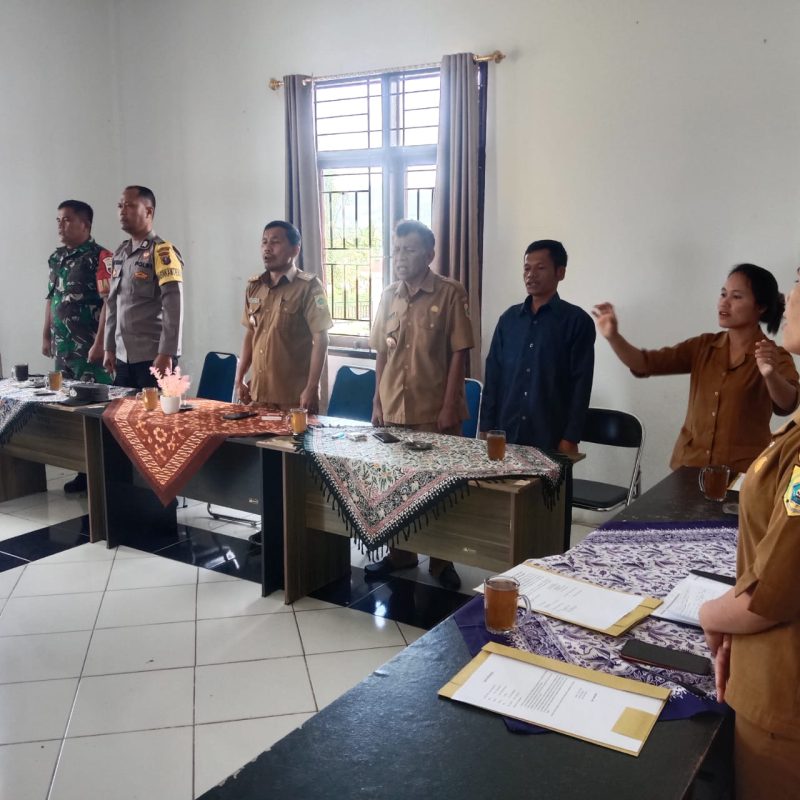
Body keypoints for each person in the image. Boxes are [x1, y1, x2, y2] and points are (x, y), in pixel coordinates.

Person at [698, 267, 800, 799]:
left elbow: (774, 592)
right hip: (763, 667)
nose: (790, 295)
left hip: (785, 696)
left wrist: (711, 614)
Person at [593, 264, 799, 473]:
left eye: (736, 297)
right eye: (723, 294)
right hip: (689, 467)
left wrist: (770, 374)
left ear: (760, 307)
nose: (724, 302)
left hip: (741, 474)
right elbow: (645, 363)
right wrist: (613, 337)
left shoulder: (773, 355)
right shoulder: (703, 346)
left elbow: (788, 403)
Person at [366, 219, 474, 590]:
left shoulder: (450, 292)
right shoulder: (388, 295)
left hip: (435, 411)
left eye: (409, 250)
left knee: (440, 490)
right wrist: (377, 400)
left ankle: (443, 562)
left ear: (429, 254)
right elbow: (381, 353)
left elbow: (460, 352)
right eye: (396, 249)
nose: (400, 257)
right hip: (395, 408)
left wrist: (449, 405)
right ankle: (401, 554)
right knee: (396, 487)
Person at [480, 239, 595, 454]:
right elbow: (493, 374)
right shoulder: (509, 319)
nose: (531, 275)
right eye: (527, 268)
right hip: (506, 432)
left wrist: (571, 436)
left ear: (560, 272)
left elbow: (581, 384)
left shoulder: (577, 321)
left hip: (550, 434)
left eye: (540, 268)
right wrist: (486, 425)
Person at [43, 199, 113, 494]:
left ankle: (104, 473)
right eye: (58, 220)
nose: (61, 225)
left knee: (93, 408)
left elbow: (109, 303)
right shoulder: (57, 258)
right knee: (69, 406)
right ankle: (82, 470)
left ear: (85, 224)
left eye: (67, 219)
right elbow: (51, 298)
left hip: (89, 349)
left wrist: (100, 343)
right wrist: (46, 334)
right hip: (64, 349)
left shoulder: (101, 257)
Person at [235, 220, 332, 412]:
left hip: (294, 398)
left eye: (275, 242)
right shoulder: (254, 287)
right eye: (264, 242)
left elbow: (321, 339)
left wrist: (312, 387)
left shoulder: (309, 287)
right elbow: (251, 334)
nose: (267, 248)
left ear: (295, 250)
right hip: (259, 395)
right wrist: (239, 379)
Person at [103, 186, 184, 390]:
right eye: (120, 206)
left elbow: (173, 307)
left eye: (129, 206)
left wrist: (167, 353)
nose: (122, 211)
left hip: (153, 357)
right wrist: (109, 348)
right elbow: (113, 304)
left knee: (156, 411)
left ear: (148, 211)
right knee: (121, 410)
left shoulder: (162, 252)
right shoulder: (120, 253)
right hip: (122, 358)